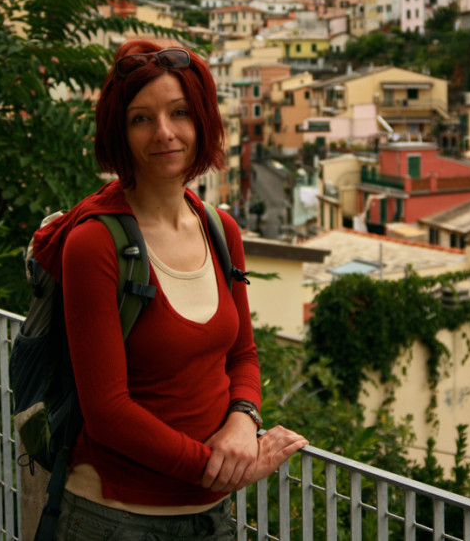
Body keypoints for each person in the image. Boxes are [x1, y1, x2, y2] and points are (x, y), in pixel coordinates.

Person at [31, 39, 307, 540]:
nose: (164, 133)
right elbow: (108, 412)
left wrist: (245, 419)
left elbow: (242, 353)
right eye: (141, 119)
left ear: (202, 121)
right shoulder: (95, 242)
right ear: (120, 131)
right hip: (114, 519)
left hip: (211, 517)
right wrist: (218, 469)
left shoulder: (221, 230)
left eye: (179, 112)